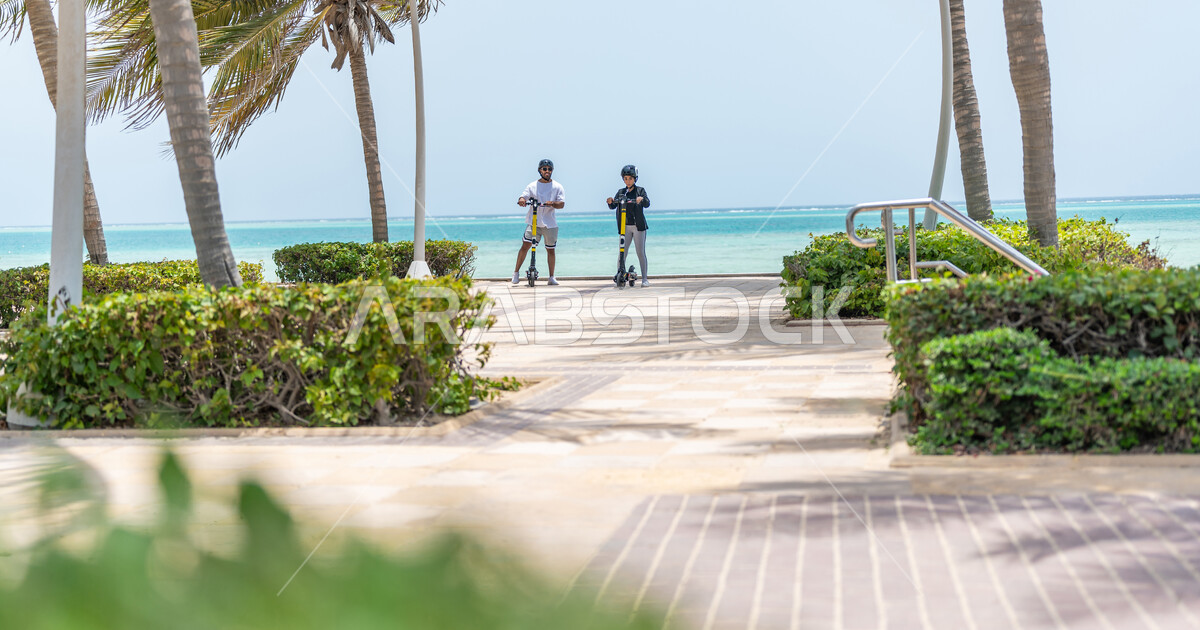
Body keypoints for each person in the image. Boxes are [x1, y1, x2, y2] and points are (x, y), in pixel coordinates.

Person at [513, 158, 566, 285]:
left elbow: (561, 204)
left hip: (550, 223)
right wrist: (522, 200)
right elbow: (524, 196)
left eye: (549, 169)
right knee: (525, 246)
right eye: (544, 169)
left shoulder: (557, 186)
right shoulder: (532, 186)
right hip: (534, 222)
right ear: (540, 170)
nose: (547, 171)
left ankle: (551, 277)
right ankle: (515, 273)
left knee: (550, 250)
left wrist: (552, 203)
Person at [606, 164, 651, 286]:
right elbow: (613, 205)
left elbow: (647, 203)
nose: (628, 181)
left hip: (638, 227)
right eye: (626, 179)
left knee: (640, 252)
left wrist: (641, 200)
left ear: (635, 179)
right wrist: (610, 202)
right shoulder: (621, 192)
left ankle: (645, 279)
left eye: (630, 178)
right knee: (622, 252)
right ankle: (620, 274)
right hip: (624, 227)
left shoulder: (640, 191)